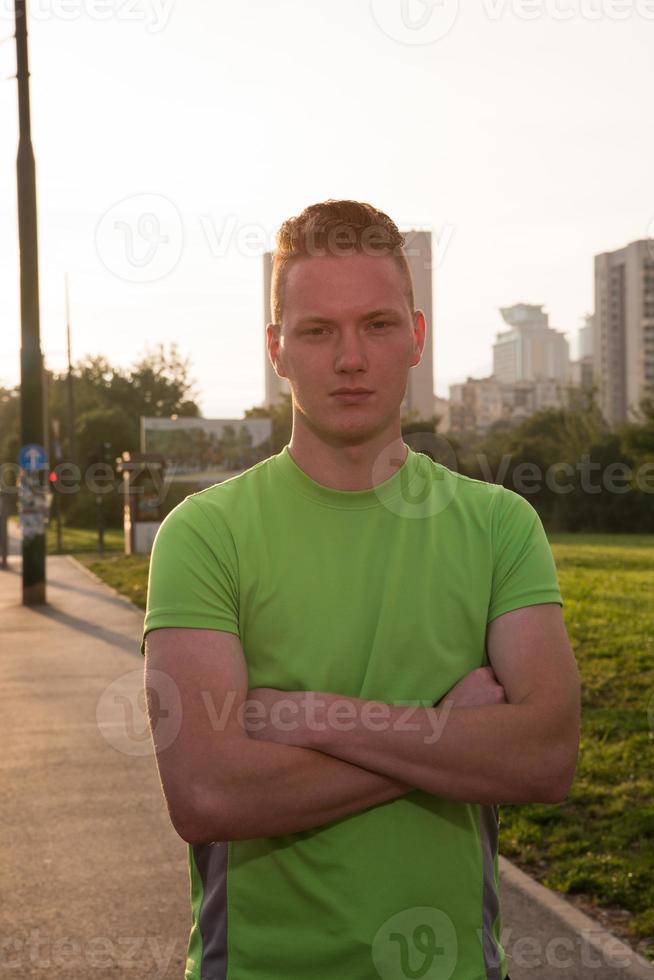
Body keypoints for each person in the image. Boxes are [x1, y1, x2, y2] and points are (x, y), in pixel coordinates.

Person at [141, 199, 581, 980]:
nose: (351, 357)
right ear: (278, 349)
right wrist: (448, 738)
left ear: (415, 337)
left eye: (377, 325)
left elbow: (545, 758)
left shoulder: (499, 525)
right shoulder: (204, 533)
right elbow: (208, 796)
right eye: (318, 330)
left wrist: (316, 718)